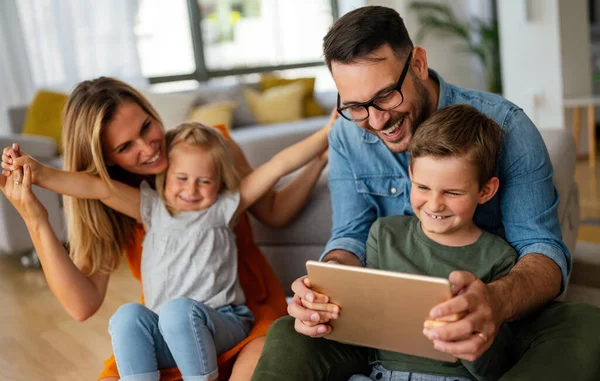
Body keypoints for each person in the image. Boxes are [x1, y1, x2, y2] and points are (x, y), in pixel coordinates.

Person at [251, 6, 600, 381]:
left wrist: (494, 302)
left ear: (417, 63)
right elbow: (349, 236)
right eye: (355, 106)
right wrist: (326, 283)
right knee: (290, 331)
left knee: (582, 324)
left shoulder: (507, 128)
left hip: (495, 322)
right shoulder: (348, 135)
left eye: (385, 95)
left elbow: (542, 251)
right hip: (385, 325)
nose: (377, 120)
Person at [0, 77, 333, 381]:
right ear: (107, 159)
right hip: (163, 330)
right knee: (129, 316)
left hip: (233, 320)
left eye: (146, 126)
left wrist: (322, 146)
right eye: (125, 147)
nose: (147, 148)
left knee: (182, 315)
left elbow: (275, 174)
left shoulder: (207, 155)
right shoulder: (143, 203)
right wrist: (36, 188)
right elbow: (94, 190)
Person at [347, 104, 516, 381]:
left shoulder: (500, 258)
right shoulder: (384, 234)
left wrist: (465, 329)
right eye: (423, 187)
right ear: (411, 176)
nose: (435, 204)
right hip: (381, 374)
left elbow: (496, 364)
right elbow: (369, 328)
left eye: (452, 192)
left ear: (485, 191)